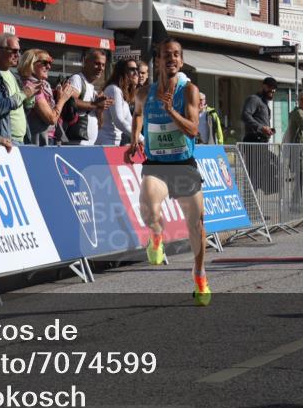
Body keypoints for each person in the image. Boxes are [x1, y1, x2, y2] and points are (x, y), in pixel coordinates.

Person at [125, 38, 210, 306]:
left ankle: (199, 275)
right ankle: (156, 235)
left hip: (183, 164)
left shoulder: (189, 91)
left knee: (196, 226)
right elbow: (138, 114)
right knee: (148, 204)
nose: (171, 59)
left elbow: (194, 130)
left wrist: (171, 110)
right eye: (166, 55)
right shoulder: (143, 94)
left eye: (176, 55)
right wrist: (133, 139)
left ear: (181, 61)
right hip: (157, 164)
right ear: (158, 61)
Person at [20, 49, 77, 146]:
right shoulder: (31, 86)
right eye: (45, 63)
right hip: (38, 141)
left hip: (49, 138)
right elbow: (51, 119)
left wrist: (59, 97)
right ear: (31, 63)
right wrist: (62, 99)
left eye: (50, 63)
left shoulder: (44, 85)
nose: (49, 66)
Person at [0, 32, 35, 144]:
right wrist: (23, 94)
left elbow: (20, 109)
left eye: (19, 51)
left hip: (22, 140)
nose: (18, 54)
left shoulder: (13, 76)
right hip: (5, 141)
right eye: (13, 51)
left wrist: (30, 98)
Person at [63, 49, 112, 145]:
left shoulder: (92, 87)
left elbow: (100, 125)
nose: (101, 68)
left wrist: (100, 109)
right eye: (97, 63)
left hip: (88, 144)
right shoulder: (77, 79)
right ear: (86, 62)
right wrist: (95, 104)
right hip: (75, 143)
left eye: (103, 65)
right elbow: (70, 101)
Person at [96, 59, 138, 145]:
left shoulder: (121, 92)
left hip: (115, 142)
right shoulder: (113, 89)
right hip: (106, 142)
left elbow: (130, 122)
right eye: (132, 69)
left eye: (136, 69)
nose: (136, 73)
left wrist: (141, 138)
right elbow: (118, 120)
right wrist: (140, 138)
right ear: (122, 71)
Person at [241, 77, 277, 143]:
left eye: (274, 89)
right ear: (263, 86)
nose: (272, 90)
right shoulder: (254, 99)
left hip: (262, 140)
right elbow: (245, 115)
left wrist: (268, 130)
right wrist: (261, 128)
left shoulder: (264, 102)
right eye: (270, 87)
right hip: (253, 140)